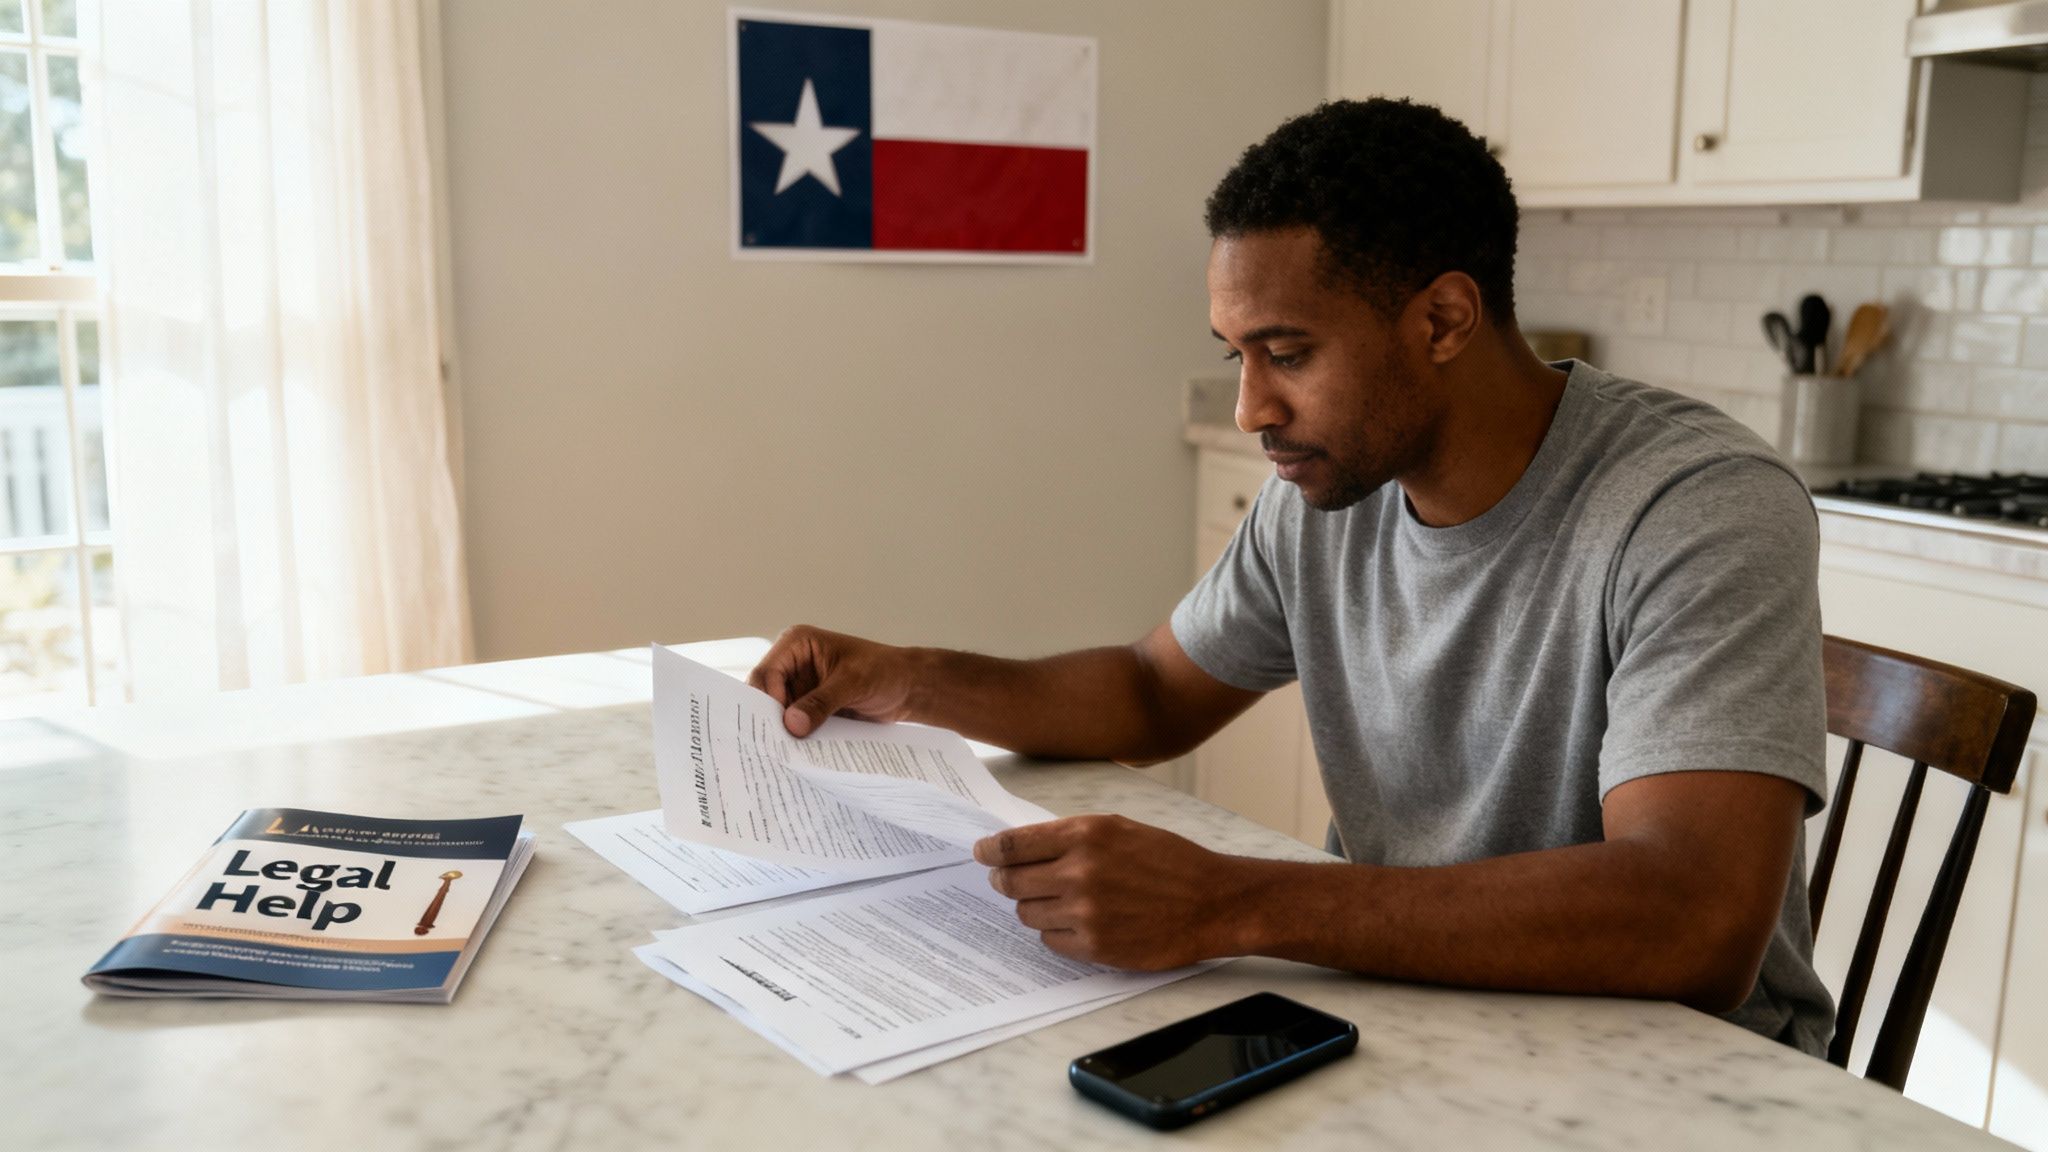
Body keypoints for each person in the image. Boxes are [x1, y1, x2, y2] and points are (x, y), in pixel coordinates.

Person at [747, 98, 1835, 1056]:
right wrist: (907, 676)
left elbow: (1690, 919)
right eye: (1237, 355)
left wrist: (1229, 901)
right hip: (1417, 1014)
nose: (1250, 409)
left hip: (1679, 1070)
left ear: (1443, 319)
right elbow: (1149, 691)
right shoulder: (1330, 488)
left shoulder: (1695, 504)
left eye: (1288, 352)